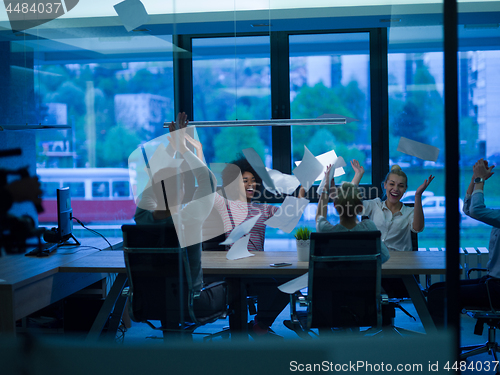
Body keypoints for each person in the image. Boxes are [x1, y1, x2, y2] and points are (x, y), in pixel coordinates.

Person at [134, 112, 226, 322]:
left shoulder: (143, 219)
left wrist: (170, 151)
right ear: (183, 192)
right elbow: (208, 180)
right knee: (234, 287)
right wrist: (182, 148)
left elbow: (152, 188)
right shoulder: (189, 218)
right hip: (191, 301)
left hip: (150, 301)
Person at [427, 158, 500, 327]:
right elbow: (468, 209)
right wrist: (475, 178)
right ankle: (440, 342)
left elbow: (477, 210)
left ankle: (443, 347)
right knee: (435, 289)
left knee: (439, 295)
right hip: (492, 281)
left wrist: (480, 180)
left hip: (497, 289)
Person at [350, 160, 434, 252]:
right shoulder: (375, 205)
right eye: (392, 184)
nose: (396, 189)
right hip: (377, 260)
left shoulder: (410, 212)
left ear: (405, 189)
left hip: (401, 261)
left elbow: (418, 228)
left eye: (401, 186)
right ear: (385, 185)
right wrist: (358, 174)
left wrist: (418, 195)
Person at [315, 164, 390, 263]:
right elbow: (385, 256)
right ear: (360, 208)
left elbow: (319, 218)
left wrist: (326, 189)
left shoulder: (326, 230)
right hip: (363, 278)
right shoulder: (369, 228)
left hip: (335, 279)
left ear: (335, 206)